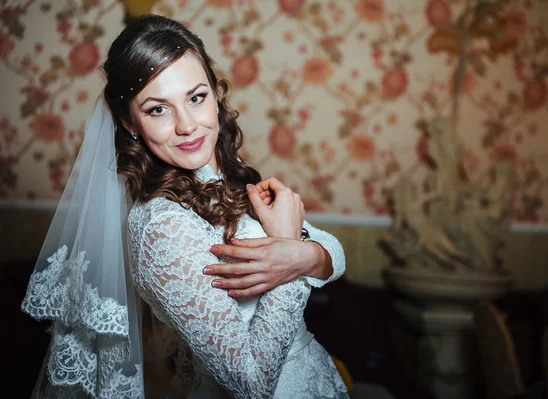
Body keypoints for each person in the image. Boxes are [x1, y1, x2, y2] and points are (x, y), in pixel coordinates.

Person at [21, 14, 348, 399]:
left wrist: (303, 253)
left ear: (215, 93)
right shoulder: (160, 228)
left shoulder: (220, 177)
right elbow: (252, 384)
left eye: (196, 98)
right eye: (158, 109)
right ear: (130, 122)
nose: (188, 126)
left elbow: (336, 258)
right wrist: (291, 254)